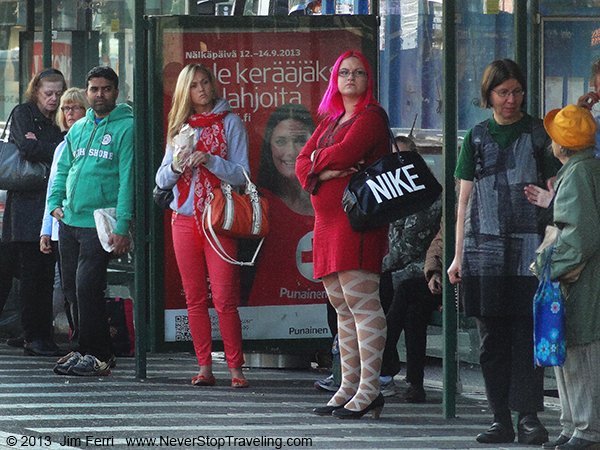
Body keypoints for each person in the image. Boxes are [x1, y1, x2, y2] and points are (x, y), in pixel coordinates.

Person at [447, 59, 560, 445]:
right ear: (489, 96)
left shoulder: (538, 133)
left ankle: (528, 416)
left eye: (517, 91)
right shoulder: (476, 137)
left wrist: (551, 205)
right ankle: (500, 418)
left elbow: (558, 186)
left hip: (529, 246)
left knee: (526, 334)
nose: (511, 99)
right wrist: (457, 255)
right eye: (503, 92)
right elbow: (463, 201)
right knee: (490, 338)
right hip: (483, 248)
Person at [296, 49, 389, 419]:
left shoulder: (371, 118)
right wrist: (321, 169)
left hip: (358, 224)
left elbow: (346, 152)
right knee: (342, 307)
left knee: (363, 304)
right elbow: (301, 163)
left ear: (368, 81)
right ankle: (348, 386)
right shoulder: (331, 120)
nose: (350, 78)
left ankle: (370, 389)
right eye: (344, 72)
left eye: (359, 73)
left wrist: (319, 165)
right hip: (327, 224)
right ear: (335, 80)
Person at [155, 63, 249, 388]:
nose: (202, 89)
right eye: (194, 85)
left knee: (224, 297)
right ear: (186, 92)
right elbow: (161, 177)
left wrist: (210, 160)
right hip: (183, 219)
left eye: (206, 82)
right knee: (194, 297)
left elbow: (242, 175)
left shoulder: (230, 122)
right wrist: (179, 163)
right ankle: (204, 366)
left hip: (220, 219)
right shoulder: (180, 127)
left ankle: (236, 368)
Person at [48, 66, 133, 376]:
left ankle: (98, 354)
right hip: (69, 219)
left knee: (87, 288)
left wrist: (123, 226)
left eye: (106, 89)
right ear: (87, 91)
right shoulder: (79, 127)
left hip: (99, 221)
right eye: (94, 89)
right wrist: (54, 203)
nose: (100, 94)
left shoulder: (127, 128)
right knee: (71, 288)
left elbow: (128, 180)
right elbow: (63, 169)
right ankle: (85, 348)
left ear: (116, 92)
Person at [535, 105, 600, 450]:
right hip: (584, 280)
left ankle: (585, 429)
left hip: (579, 283)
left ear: (561, 145)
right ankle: (573, 425)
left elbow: (578, 237)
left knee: (578, 353)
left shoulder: (577, 175)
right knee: (569, 352)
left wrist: (547, 266)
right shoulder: (586, 169)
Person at [2, 68, 67, 356]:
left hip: (49, 203)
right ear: (36, 92)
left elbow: (44, 146)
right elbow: (28, 148)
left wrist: (43, 145)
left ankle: (36, 331)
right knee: (33, 273)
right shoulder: (24, 113)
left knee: (42, 272)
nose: (53, 99)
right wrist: (56, 147)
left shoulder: (59, 118)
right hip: (27, 206)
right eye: (48, 93)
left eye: (58, 93)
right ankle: (34, 335)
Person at [379, 135, 442, 403]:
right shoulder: (392, 189)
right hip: (407, 273)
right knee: (411, 311)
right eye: (394, 160)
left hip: (423, 270)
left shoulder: (426, 193)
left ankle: (381, 365)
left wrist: (376, 267)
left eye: (404, 159)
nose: (399, 165)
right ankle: (411, 382)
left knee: (395, 289)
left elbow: (408, 246)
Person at [245, 103, 326, 306]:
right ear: (269, 146)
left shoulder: (331, 199)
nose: (291, 151)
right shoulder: (258, 203)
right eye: (281, 141)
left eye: (300, 140)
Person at [40, 88, 88, 352]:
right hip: (62, 227)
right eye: (65, 109)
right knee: (69, 287)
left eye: (75, 107)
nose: (69, 114)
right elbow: (53, 188)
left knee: (85, 286)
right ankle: (78, 339)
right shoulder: (62, 145)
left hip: (88, 224)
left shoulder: (92, 138)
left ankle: (89, 342)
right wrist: (45, 230)